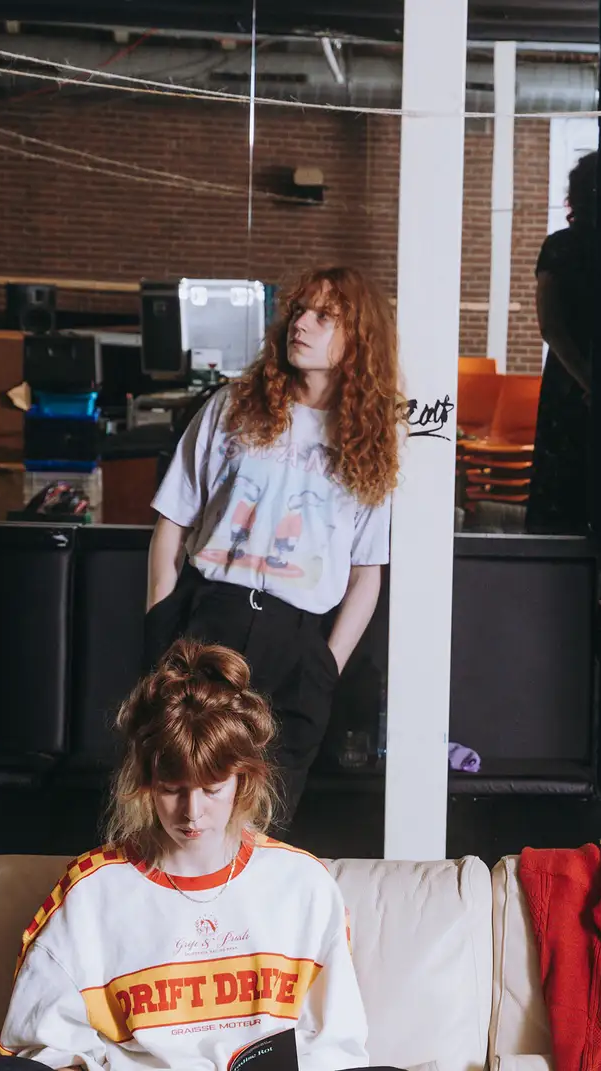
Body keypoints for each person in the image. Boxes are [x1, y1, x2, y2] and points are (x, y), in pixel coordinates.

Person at [0, 639, 374, 1070]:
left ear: (244, 780)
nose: (192, 812)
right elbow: (41, 1040)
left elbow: (337, 1043)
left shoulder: (303, 883)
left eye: (212, 789)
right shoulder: (91, 891)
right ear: (144, 783)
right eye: (172, 790)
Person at [145, 266, 400, 828]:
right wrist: (160, 625)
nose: (300, 324)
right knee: (183, 809)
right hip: (209, 622)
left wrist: (325, 666)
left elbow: (367, 572)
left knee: (264, 826)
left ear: (358, 338)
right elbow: (173, 519)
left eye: (323, 316)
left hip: (298, 643)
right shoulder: (232, 406)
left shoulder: (369, 439)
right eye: (299, 311)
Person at [527, 150, 599, 535]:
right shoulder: (568, 247)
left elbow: (550, 325)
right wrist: (591, 381)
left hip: (572, 374)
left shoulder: (561, 246)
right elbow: (551, 327)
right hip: (575, 375)